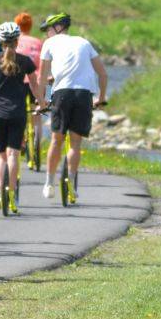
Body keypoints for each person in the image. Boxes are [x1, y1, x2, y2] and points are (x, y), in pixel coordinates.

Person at [38, 12, 108, 199]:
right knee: (75, 143)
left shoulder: (49, 43)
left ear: (57, 27)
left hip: (62, 94)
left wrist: (41, 101)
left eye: (48, 30)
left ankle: (49, 183)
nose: (46, 34)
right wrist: (101, 98)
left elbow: (41, 78)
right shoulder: (84, 42)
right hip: (84, 94)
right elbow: (102, 74)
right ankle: (71, 183)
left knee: (56, 140)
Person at [0, 22, 42, 215]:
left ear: (0, 41)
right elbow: (34, 86)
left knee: (1, 156)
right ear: (17, 41)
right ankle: (12, 194)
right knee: (13, 155)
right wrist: (41, 102)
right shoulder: (25, 62)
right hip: (17, 112)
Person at [14, 11, 45, 157]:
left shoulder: (14, 42)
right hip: (36, 82)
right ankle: (37, 143)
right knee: (36, 115)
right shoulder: (38, 42)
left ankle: (20, 140)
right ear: (30, 26)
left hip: (18, 82)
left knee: (17, 113)